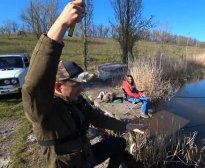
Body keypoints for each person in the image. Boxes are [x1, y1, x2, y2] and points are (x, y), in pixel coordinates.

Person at [22, 1, 146, 167]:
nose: (82, 88)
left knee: (118, 143)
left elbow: (97, 118)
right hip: (69, 165)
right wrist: (61, 24)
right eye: (76, 84)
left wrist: (127, 126)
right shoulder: (42, 110)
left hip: (86, 156)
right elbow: (34, 84)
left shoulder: (77, 102)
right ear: (58, 87)